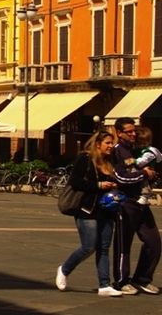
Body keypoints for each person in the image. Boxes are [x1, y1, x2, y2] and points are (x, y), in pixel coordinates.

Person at [57, 130, 122, 297]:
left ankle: (104, 285)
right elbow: (75, 182)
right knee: (89, 246)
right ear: (98, 144)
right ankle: (64, 269)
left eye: (111, 143)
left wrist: (113, 187)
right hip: (87, 209)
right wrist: (99, 185)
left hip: (107, 211)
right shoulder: (85, 159)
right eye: (107, 143)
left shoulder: (110, 162)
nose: (110, 146)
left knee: (104, 248)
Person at [112, 117, 161, 295]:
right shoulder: (117, 151)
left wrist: (150, 174)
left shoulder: (135, 149)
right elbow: (120, 177)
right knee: (124, 244)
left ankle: (142, 278)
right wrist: (143, 174)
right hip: (126, 202)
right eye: (129, 131)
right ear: (119, 133)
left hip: (141, 202)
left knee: (153, 241)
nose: (133, 134)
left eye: (134, 131)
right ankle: (120, 281)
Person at [134, 126, 162, 206]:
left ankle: (145, 197)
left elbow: (142, 161)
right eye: (139, 143)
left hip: (147, 169)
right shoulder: (138, 150)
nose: (142, 145)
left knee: (145, 184)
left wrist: (134, 161)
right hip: (141, 170)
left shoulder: (149, 152)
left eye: (144, 143)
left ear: (149, 141)